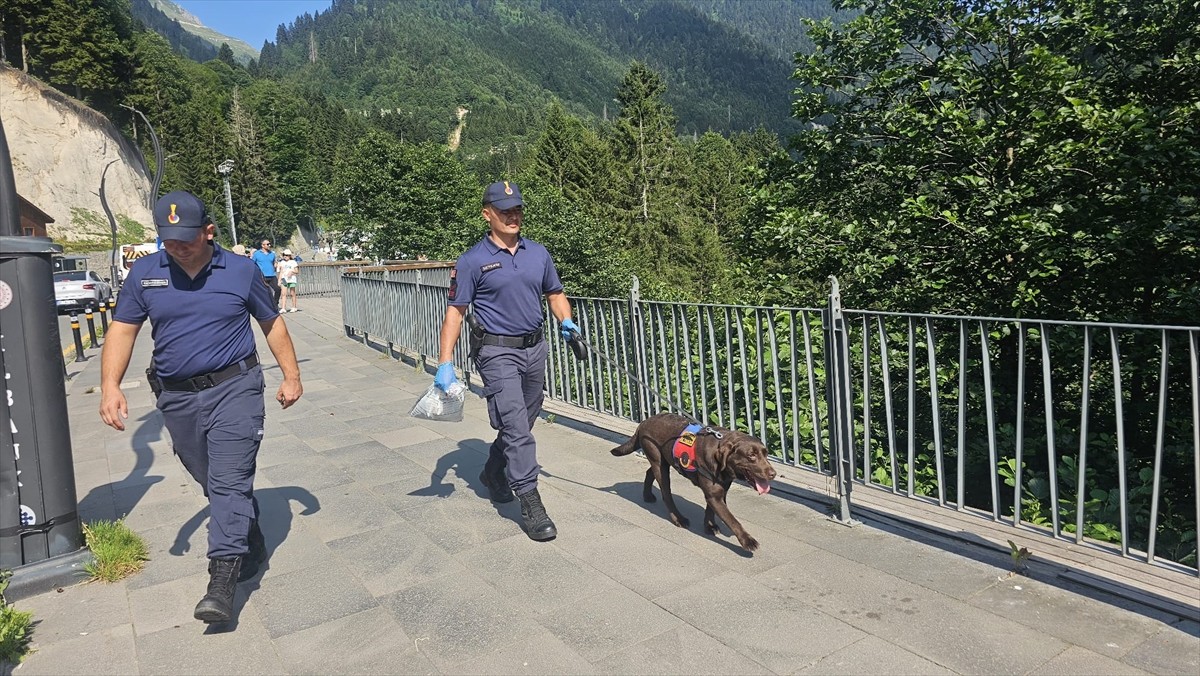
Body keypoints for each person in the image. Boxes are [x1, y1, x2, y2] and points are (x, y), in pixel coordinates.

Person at [98, 191, 303, 625]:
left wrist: (292, 376)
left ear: (208, 231)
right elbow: (123, 329)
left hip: (235, 387)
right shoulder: (145, 273)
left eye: (186, 239)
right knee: (211, 480)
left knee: (228, 480)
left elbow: (271, 323)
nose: (178, 247)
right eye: (168, 240)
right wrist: (110, 385)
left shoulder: (241, 270)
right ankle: (247, 529)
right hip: (177, 397)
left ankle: (221, 581)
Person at [435, 180, 580, 541]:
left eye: (517, 210)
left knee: (525, 419)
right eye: (504, 211)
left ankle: (493, 470)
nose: (513, 217)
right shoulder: (472, 261)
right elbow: (456, 312)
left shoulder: (538, 254)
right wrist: (445, 362)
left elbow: (555, 294)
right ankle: (530, 502)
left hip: (534, 348)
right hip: (496, 351)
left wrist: (567, 321)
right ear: (487, 214)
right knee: (516, 425)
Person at [252, 238, 281, 310]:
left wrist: (276, 265)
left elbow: (274, 263)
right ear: (262, 245)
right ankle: (263, 306)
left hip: (272, 275)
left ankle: (275, 304)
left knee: (278, 289)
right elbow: (252, 264)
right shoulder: (257, 254)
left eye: (269, 244)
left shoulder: (272, 254)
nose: (269, 245)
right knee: (264, 292)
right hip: (262, 275)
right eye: (267, 244)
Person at [277, 248, 299, 312]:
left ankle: (294, 307)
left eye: (286, 255)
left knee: (292, 293)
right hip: (284, 279)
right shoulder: (282, 262)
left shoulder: (293, 262)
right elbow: (281, 272)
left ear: (289, 256)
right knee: (283, 293)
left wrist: (292, 272)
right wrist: (279, 280)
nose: (285, 256)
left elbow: (297, 271)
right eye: (284, 255)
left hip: (291, 279)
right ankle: (283, 308)